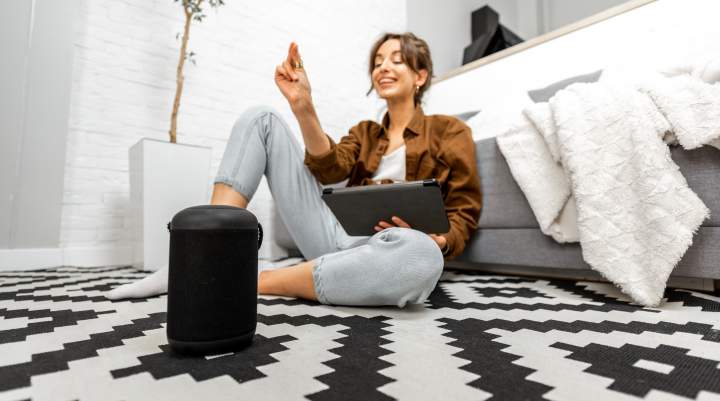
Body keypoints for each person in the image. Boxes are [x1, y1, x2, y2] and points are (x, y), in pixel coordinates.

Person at [107, 32, 482, 307]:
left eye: (396, 59)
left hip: (392, 246)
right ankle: (205, 253)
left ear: (420, 76)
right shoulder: (366, 133)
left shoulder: (451, 132)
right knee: (262, 118)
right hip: (334, 235)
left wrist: (441, 241)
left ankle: (244, 279)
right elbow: (329, 169)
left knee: (423, 259)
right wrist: (303, 105)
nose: (383, 66)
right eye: (378, 60)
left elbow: (464, 211)